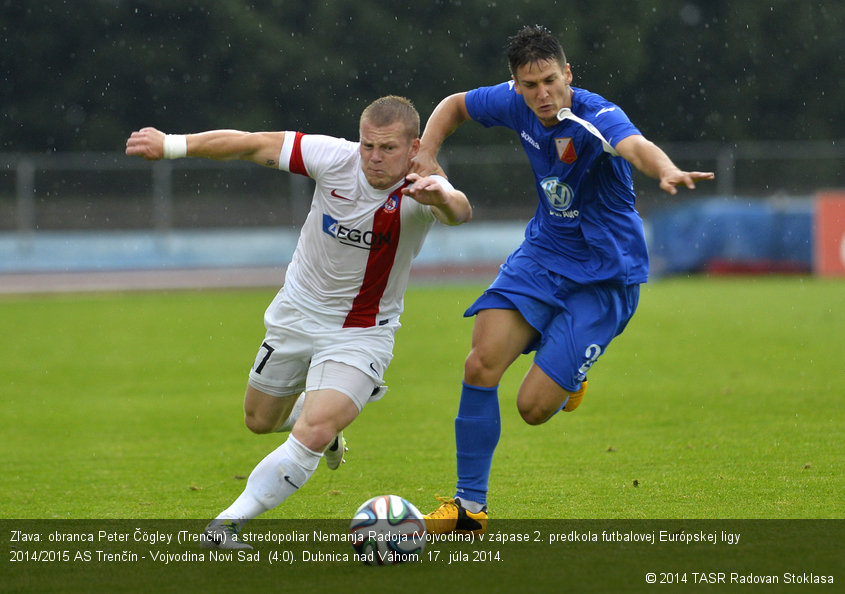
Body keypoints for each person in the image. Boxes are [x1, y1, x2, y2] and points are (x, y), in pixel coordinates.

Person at [125, 95, 472, 548]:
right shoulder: (334, 157)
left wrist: (441, 195)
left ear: (414, 147)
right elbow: (252, 144)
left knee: (315, 428)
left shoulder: (423, 185)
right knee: (258, 420)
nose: (374, 158)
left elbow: (460, 210)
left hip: (361, 332)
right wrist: (172, 145)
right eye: (368, 145)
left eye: (387, 148)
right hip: (296, 314)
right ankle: (321, 425)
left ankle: (226, 525)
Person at [411, 25, 714, 534]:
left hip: (605, 277)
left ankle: (570, 366)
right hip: (543, 255)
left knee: (532, 408)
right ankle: (468, 509)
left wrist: (664, 170)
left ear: (567, 74)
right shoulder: (513, 102)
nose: (542, 94)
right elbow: (455, 104)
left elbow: (636, 145)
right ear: (516, 84)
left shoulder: (597, 117)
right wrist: (427, 152)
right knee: (480, 363)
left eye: (551, 80)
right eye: (530, 85)